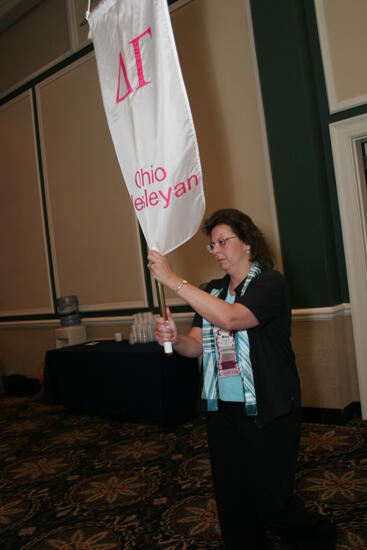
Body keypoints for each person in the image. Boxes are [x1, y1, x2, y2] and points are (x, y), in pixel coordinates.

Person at [147, 208, 337, 550]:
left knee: (272, 502)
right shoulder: (214, 291)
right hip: (223, 412)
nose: (216, 250)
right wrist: (174, 339)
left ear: (247, 243)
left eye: (223, 241)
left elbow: (233, 319)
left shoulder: (270, 283)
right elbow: (194, 347)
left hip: (268, 410)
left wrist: (173, 280)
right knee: (233, 503)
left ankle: (320, 537)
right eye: (212, 245)